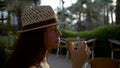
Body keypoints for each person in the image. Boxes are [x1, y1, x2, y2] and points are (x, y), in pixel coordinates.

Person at [6, 6, 91, 68]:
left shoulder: (42, 60)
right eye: (53, 29)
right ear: (37, 35)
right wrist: (77, 65)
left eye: (57, 28)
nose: (59, 33)